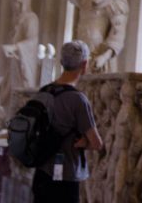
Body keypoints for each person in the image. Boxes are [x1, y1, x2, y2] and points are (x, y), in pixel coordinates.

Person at [31, 40, 104, 203]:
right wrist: (85, 143)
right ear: (84, 64)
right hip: (66, 178)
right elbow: (97, 143)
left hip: (41, 174)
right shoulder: (78, 100)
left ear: (62, 62)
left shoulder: (43, 91)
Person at [56, 0, 129, 72]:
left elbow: (118, 33)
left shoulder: (114, 1)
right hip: (82, 52)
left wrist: (104, 57)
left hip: (99, 54)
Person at [0, 0, 39, 119]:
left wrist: (15, 47)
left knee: (21, 88)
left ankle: (18, 116)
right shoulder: (16, 19)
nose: (13, 5)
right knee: (9, 88)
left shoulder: (31, 18)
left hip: (23, 60)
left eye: (16, 2)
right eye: (12, 2)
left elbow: (32, 41)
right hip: (13, 61)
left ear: (23, 3)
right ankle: (8, 117)